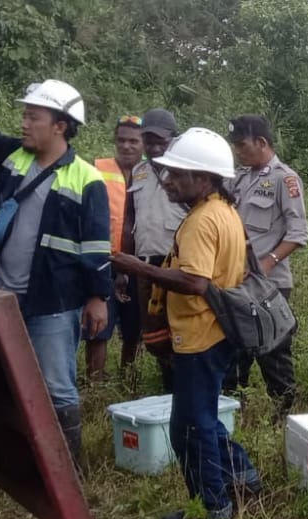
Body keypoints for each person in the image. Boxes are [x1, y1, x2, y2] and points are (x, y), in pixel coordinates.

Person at [111, 127, 261, 519]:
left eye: (179, 174)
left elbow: (195, 282)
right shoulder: (223, 211)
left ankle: (211, 511)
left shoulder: (202, 220)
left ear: (205, 178)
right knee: (204, 418)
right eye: (170, 173)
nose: (170, 181)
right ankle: (242, 477)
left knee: (189, 429)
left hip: (200, 335)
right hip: (214, 332)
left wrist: (134, 266)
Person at [0, 79, 111, 472]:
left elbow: (96, 246)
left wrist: (98, 296)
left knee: (56, 386)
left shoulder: (87, 179)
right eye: (24, 115)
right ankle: (22, 465)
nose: (24, 122)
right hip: (7, 294)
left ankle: (68, 470)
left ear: (61, 125)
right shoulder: (13, 158)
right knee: (7, 379)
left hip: (54, 301)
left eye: (33, 116)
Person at [224, 115, 308, 417]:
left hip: (269, 285)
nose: (238, 151)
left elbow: (298, 234)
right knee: (235, 355)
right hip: (236, 282)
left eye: (242, 145)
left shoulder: (285, 180)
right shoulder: (240, 178)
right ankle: (234, 415)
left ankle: (284, 419)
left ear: (261, 142)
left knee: (273, 354)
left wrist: (265, 264)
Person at [123, 108, 186, 392]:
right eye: (148, 140)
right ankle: (168, 386)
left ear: (174, 138)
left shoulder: (187, 172)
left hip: (178, 265)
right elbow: (130, 220)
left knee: (181, 329)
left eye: (160, 139)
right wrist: (124, 267)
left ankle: (184, 386)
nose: (154, 145)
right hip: (145, 264)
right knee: (155, 332)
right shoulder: (139, 172)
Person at [84, 115, 144, 380]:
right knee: (98, 324)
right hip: (104, 260)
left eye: (133, 141)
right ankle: (95, 381)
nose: (127, 146)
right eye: (121, 140)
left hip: (141, 264)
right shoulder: (96, 169)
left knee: (135, 326)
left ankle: (128, 378)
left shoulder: (153, 175)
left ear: (143, 144)